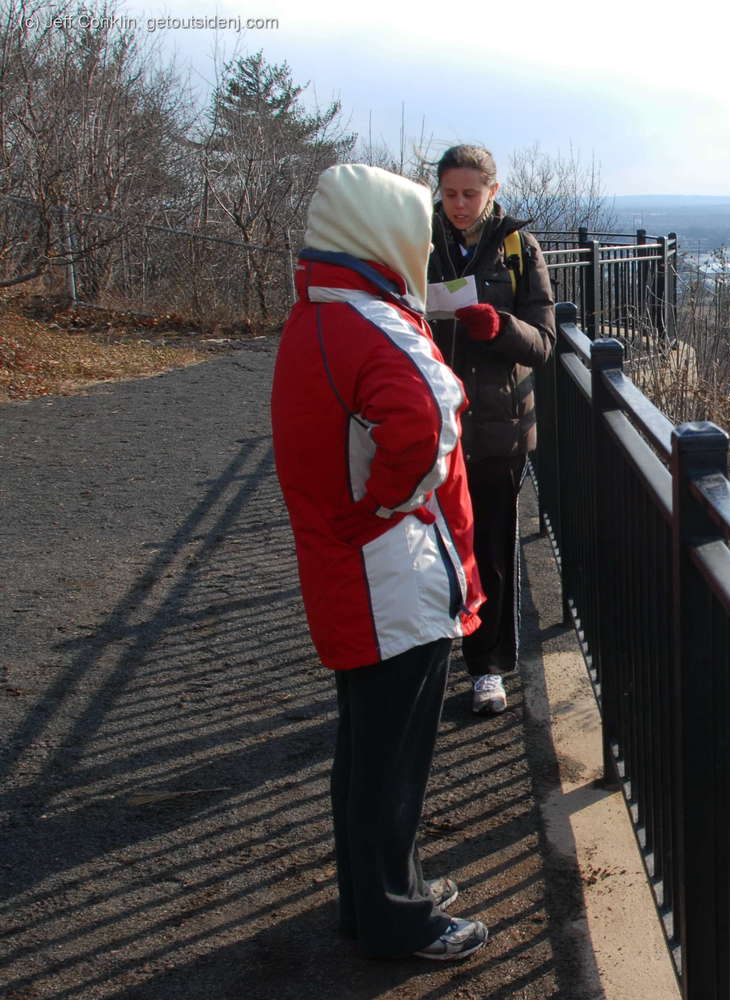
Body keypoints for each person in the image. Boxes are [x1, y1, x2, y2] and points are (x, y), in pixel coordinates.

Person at [270, 163, 490, 961]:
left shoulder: (319, 308)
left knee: (365, 753)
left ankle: (374, 900)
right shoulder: (372, 319)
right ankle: (401, 921)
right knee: (392, 764)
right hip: (387, 576)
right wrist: (392, 503)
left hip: (347, 568)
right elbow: (432, 415)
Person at [427, 144, 557, 715]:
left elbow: (545, 342)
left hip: (497, 426)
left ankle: (488, 668)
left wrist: (498, 325)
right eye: (450, 193)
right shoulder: (417, 238)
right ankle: (427, 662)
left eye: (470, 194)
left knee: (491, 548)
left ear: (493, 192)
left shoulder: (518, 248)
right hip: (429, 420)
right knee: (429, 548)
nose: (459, 205)